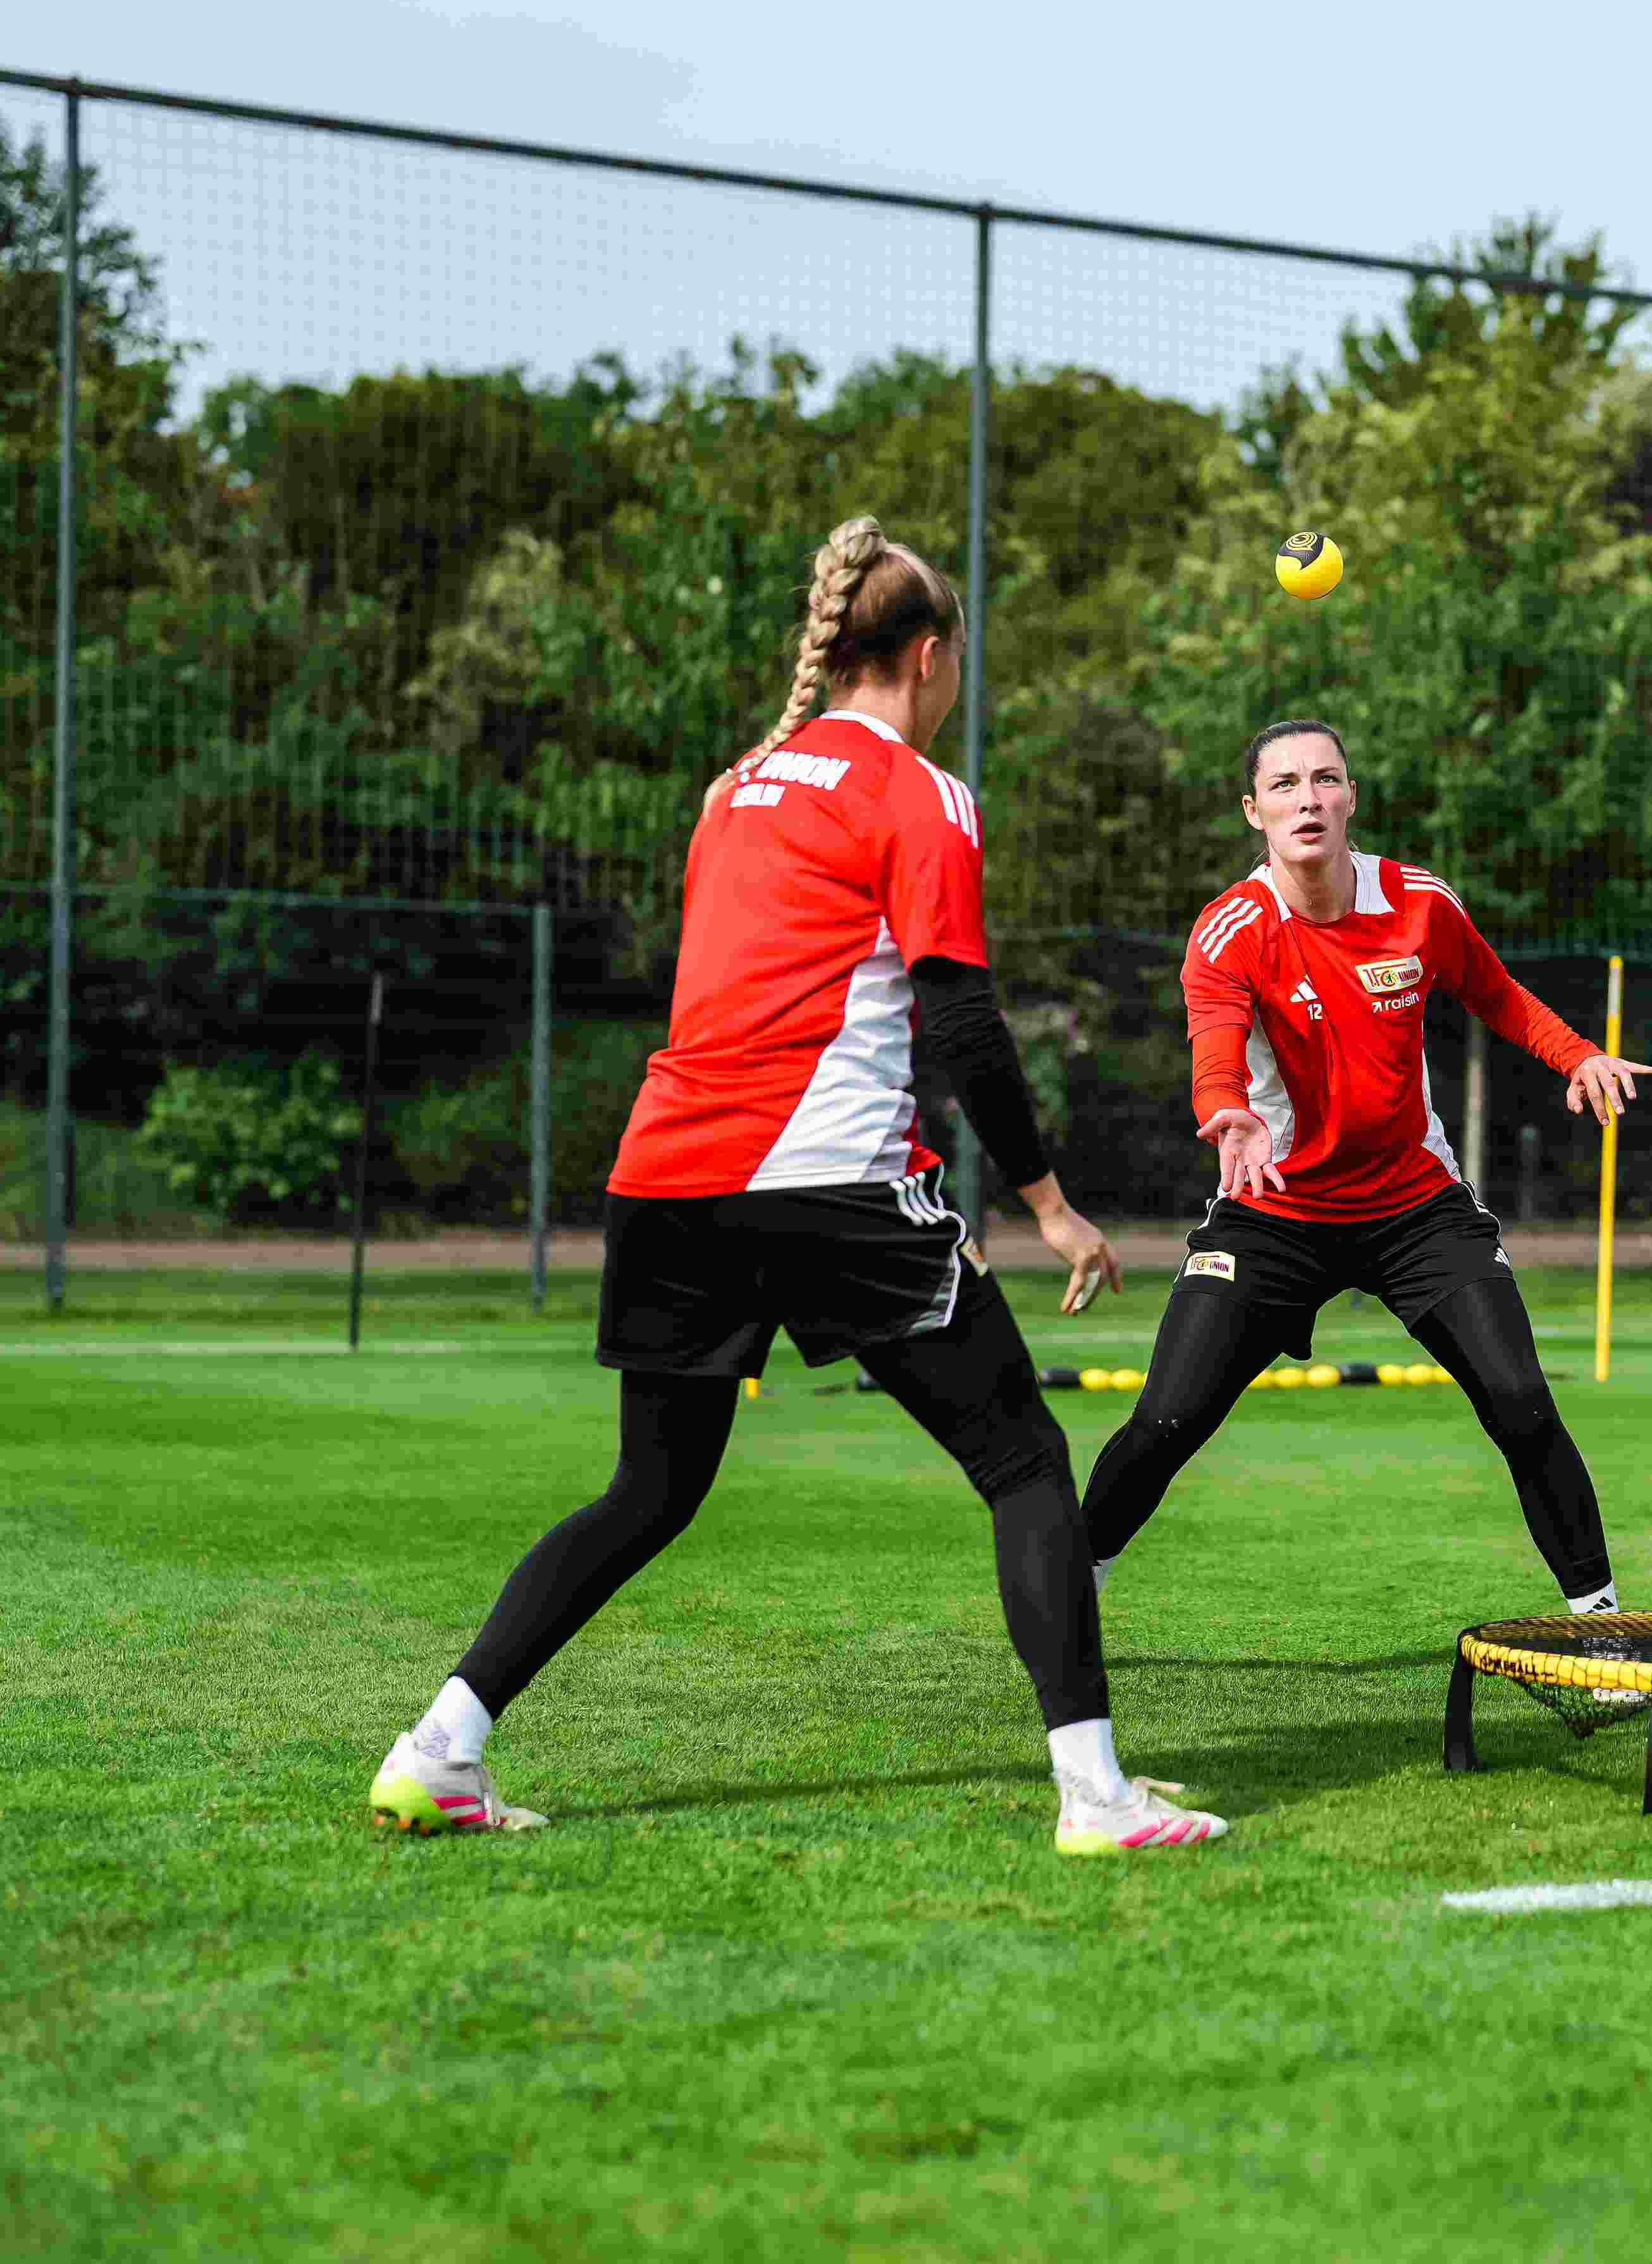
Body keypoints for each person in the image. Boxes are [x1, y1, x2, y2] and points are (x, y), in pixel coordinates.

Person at [369, 519, 1227, 1858]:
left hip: (666, 1176)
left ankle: (442, 1748)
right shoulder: (918, 792)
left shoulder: (737, 786)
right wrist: (1047, 1200)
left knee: (649, 1490)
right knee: (1024, 1461)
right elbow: (960, 1019)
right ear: (931, 658)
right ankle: (1094, 1795)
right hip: (823, 1179)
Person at [1078, 719, 1652, 1609]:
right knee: (1168, 1418)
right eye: (1285, 786)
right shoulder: (1232, 930)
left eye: (1326, 780)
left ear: (1351, 799)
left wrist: (1577, 1054)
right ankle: (1073, 1584)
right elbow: (1216, 1056)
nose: (1308, 799)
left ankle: (1604, 1624)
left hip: (1414, 1208)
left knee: (1521, 1402)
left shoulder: (1420, 901)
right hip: (1274, 1207)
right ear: (1254, 811)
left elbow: (1496, 994)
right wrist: (1225, 1115)